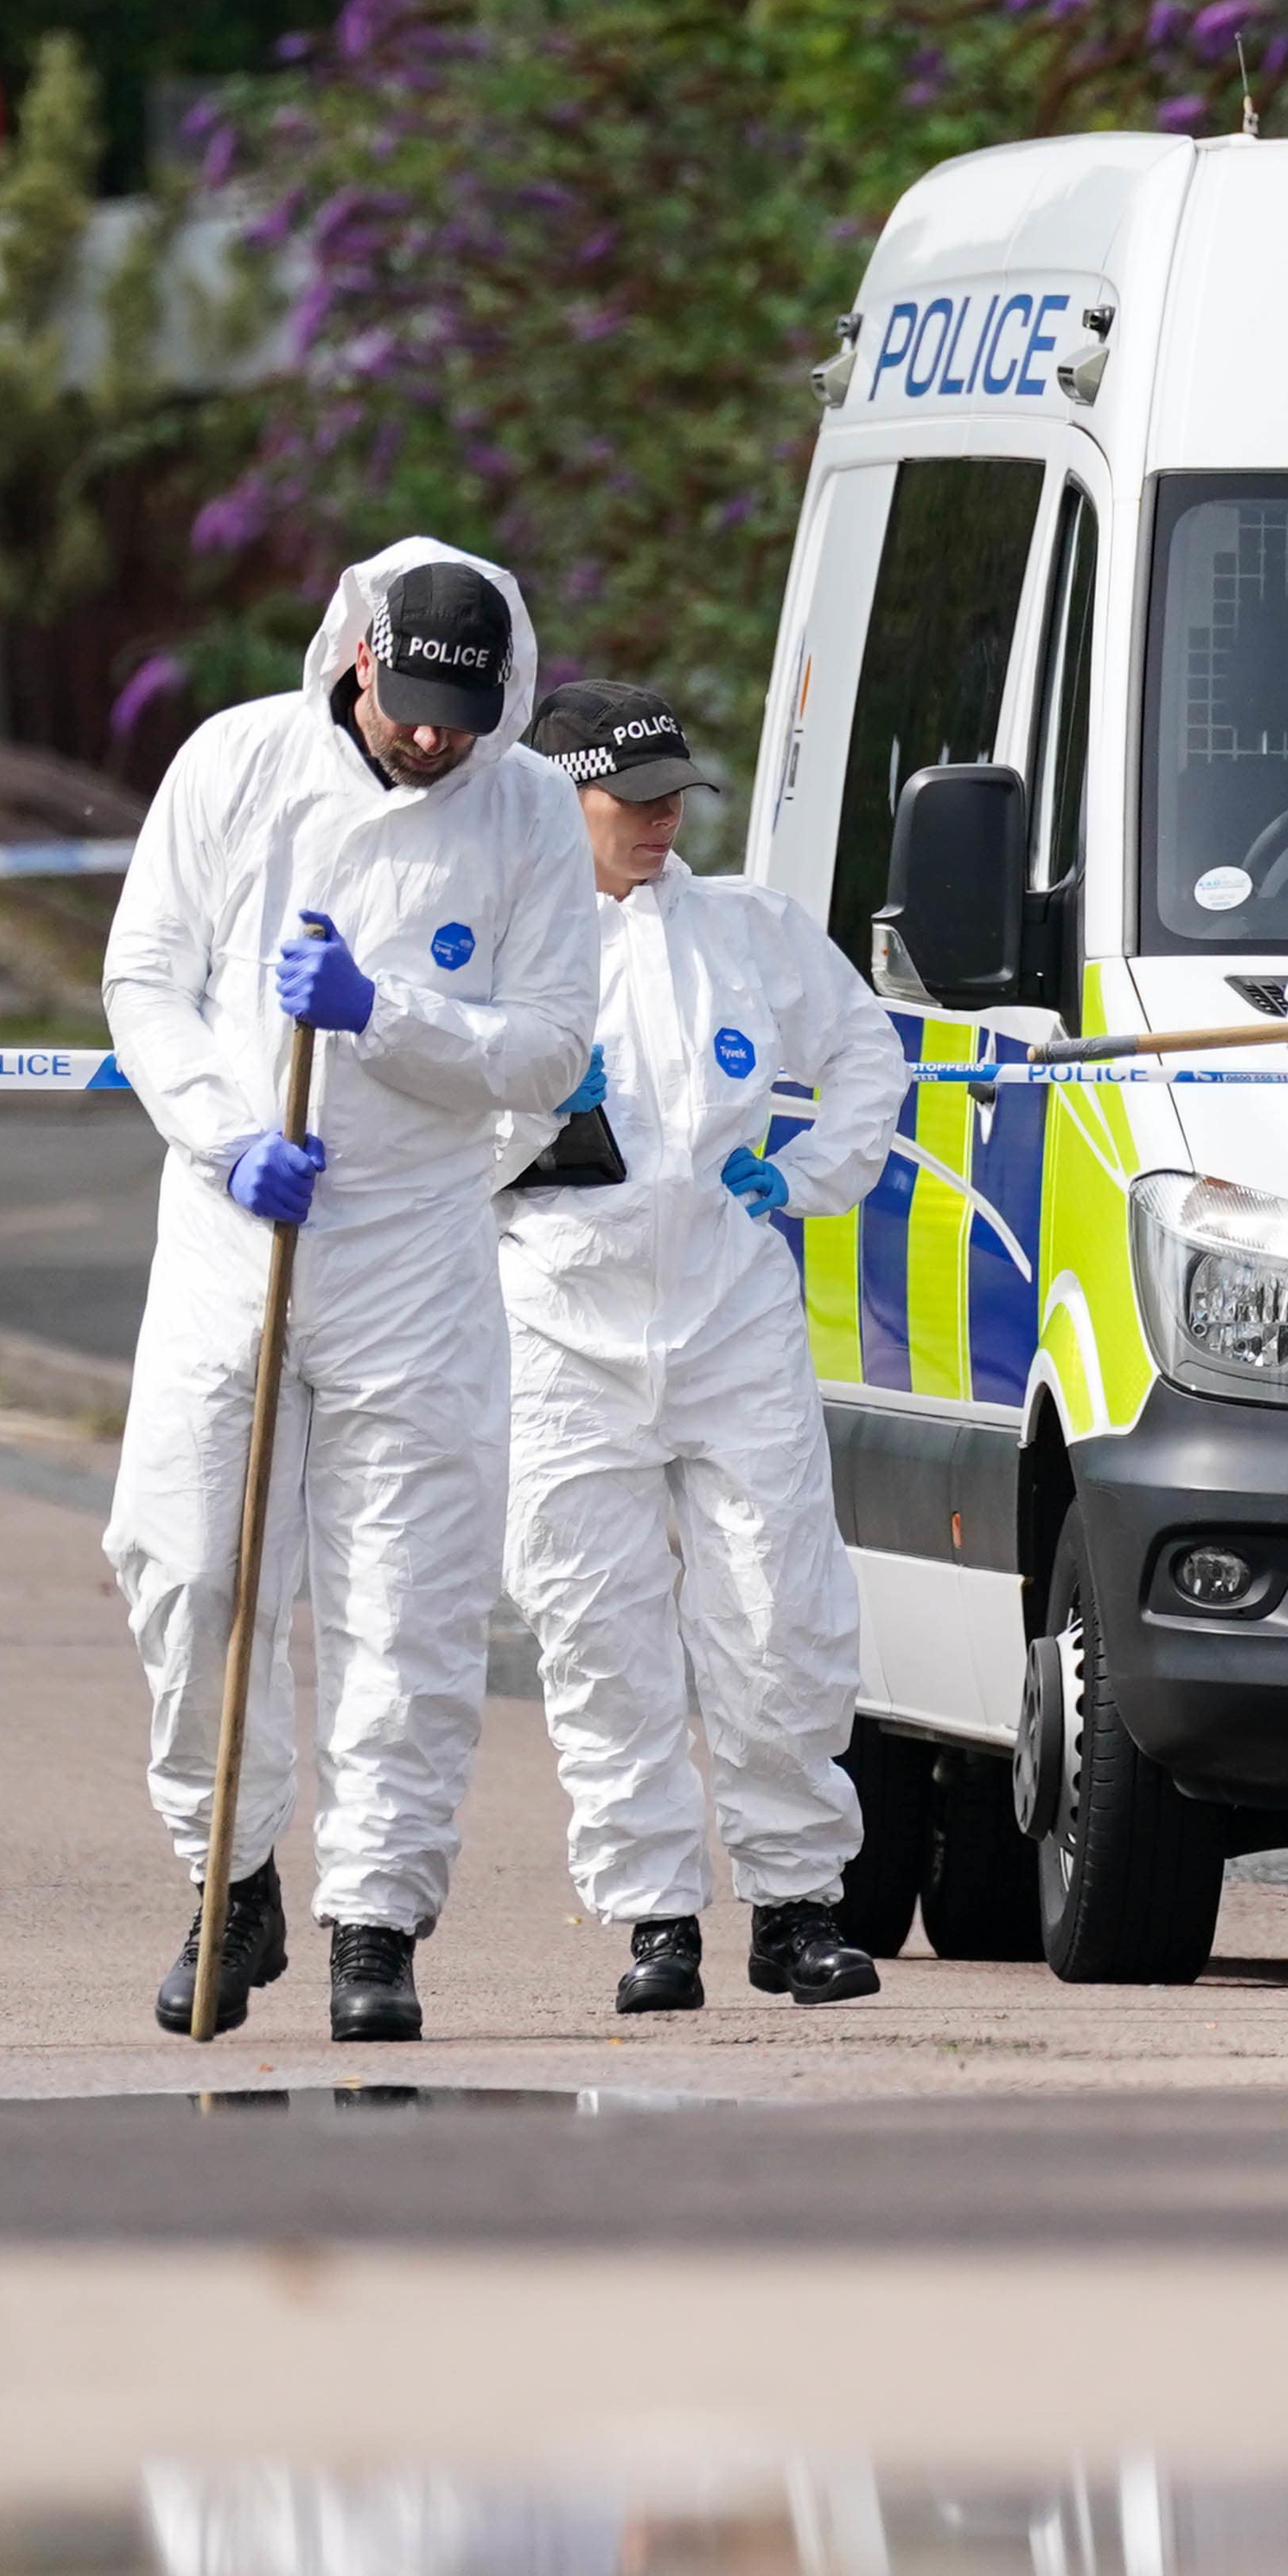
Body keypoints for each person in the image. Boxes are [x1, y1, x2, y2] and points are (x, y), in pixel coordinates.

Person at [101, 541, 600, 2043]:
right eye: (411, 705)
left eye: (464, 711)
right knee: (193, 1569)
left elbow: (549, 1051)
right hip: (234, 1227)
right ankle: (230, 1878)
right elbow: (145, 979)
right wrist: (225, 1128)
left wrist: (389, 1017)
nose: (431, 738)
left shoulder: (525, 819)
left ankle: (374, 1923)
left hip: (414, 1247)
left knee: (409, 1599)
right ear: (359, 659)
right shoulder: (236, 764)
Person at [493, 684, 916, 2016]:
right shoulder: (498, 945)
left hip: (734, 1325)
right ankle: (654, 1916)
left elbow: (865, 1056)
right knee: (598, 1629)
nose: (665, 819)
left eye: (677, 792)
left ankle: (797, 1907)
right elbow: (426, 1123)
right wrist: (520, 1136)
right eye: (636, 797)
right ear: (560, 801)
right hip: (563, 1328)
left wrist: (807, 1176)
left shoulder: (748, 931)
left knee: (780, 1611)